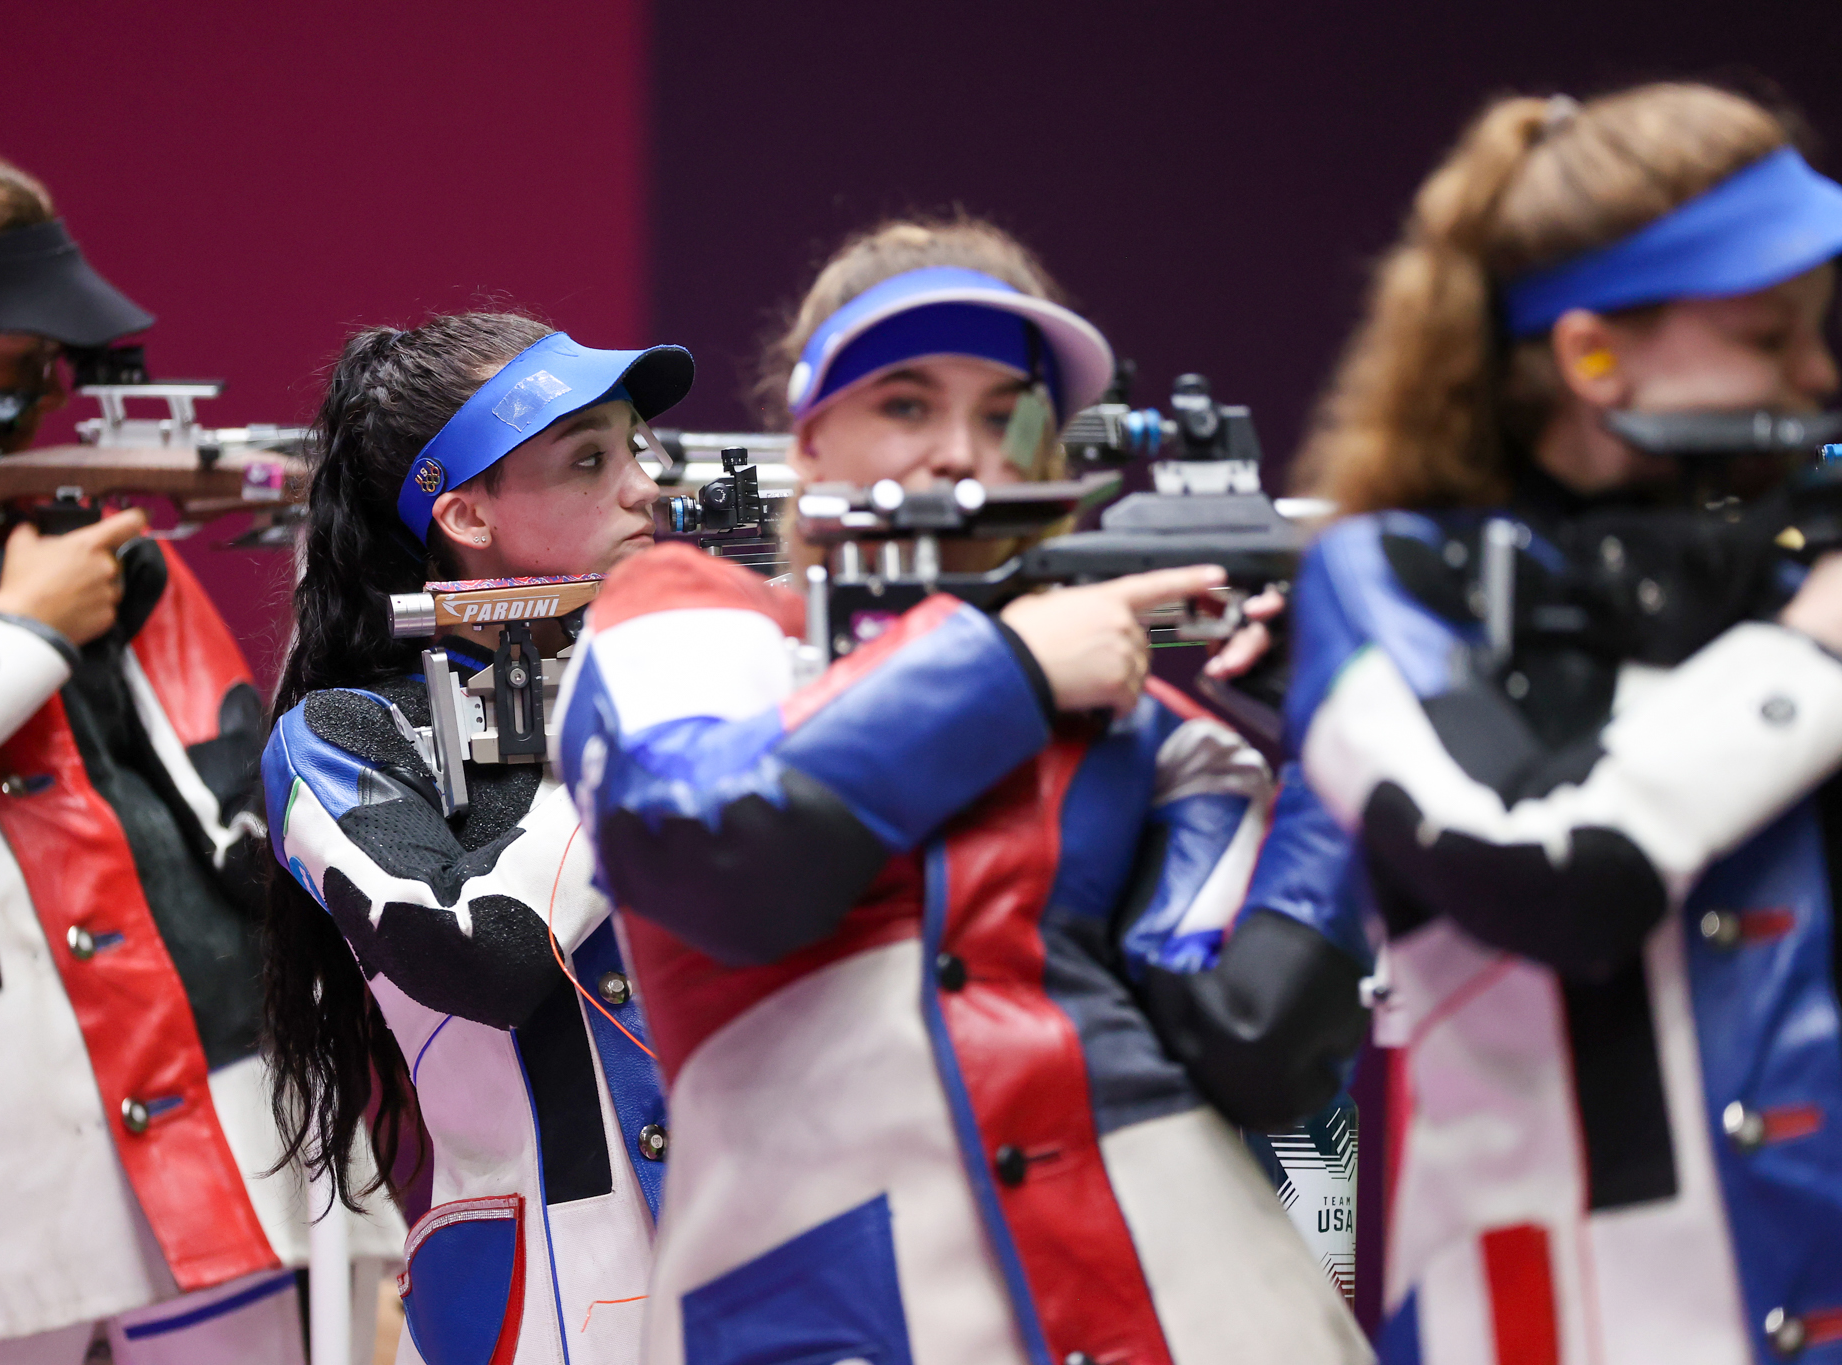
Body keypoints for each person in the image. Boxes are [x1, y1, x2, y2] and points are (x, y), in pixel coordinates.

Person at [558, 218, 1372, 1365]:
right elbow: (708, 848)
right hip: (835, 1313)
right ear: (813, 440)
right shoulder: (692, 618)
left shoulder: (1144, 725)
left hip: (1196, 1306)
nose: (959, 454)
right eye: (905, 403)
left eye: (1007, 417)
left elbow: (1258, 1046)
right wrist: (1014, 667)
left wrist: (1342, 726)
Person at [0, 149, 400, 1365]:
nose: (44, 396)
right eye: (15, 360)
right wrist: (12, 638)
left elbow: (247, 819)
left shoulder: (93, 543)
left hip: (216, 1153)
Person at [1286, 83, 1842, 1363]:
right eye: (1769, 337)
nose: (1817, 377)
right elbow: (1537, 868)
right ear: (1592, 356)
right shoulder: (1390, 577)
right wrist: (1804, 654)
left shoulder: (1783, 567)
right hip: (1568, 1319)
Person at [260, 314, 689, 1365]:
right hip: (540, 1307)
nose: (644, 486)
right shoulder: (343, 735)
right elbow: (480, 948)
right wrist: (619, 703)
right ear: (464, 515)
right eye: (588, 458)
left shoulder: (699, 670)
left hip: (757, 1262)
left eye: (635, 447)